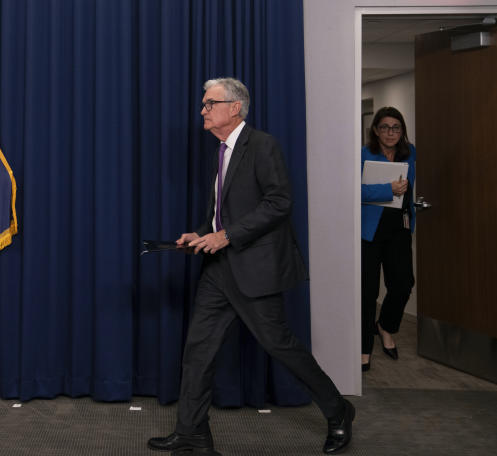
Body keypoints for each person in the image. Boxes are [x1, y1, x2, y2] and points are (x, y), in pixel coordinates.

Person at [149, 78, 354, 455]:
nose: (203, 111)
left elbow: (279, 203)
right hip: (219, 270)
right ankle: (192, 432)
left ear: (235, 108)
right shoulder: (221, 151)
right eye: (204, 104)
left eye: (210, 104)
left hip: (255, 269)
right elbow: (223, 213)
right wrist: (199, 235)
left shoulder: (262, 145)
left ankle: (339, 411)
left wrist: (225, 236)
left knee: (281, 347)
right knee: (198, 350)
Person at [360, 107, 416, 372]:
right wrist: (387, 189)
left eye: (396, 127)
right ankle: (363, 348)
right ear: (375, 130)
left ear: (402, 131)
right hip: (369, 231)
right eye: (385, 127)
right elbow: (351, 189)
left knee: (403, 284)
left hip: (399, 228)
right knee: (367, 292)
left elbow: (410, 188)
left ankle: (385, 326)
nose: (391, 133)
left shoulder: (410, 153)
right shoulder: (363, 154)